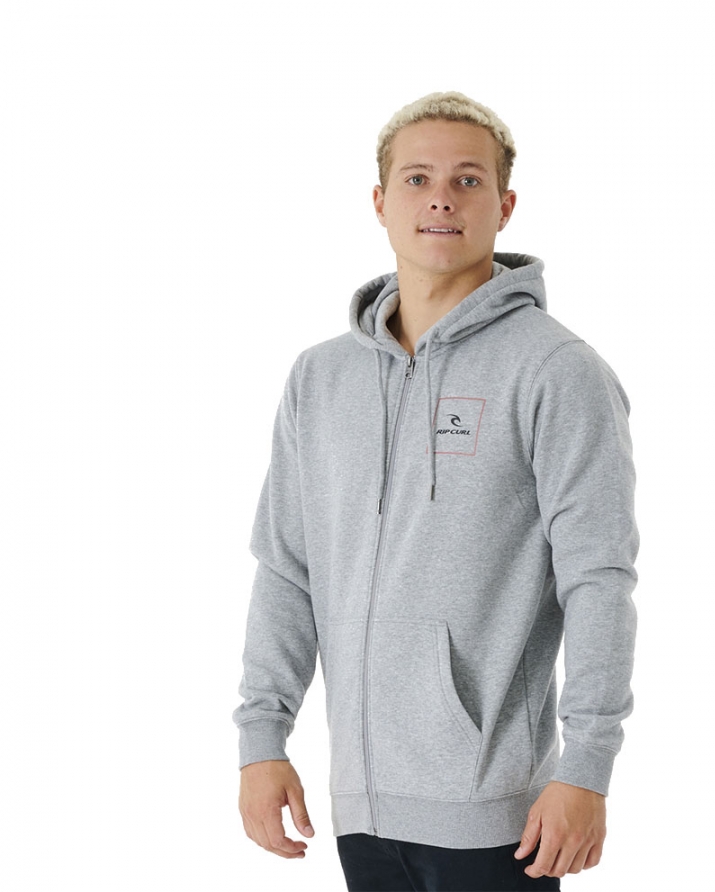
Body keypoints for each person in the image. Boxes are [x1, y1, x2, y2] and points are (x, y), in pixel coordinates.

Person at [234, 91, 639, 891]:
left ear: (505, 206)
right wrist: (261, 740)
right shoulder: (321, 378)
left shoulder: (557, 372)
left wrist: (586, 769)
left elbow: (598, 578)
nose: (441, 199)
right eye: (417, 179)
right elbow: (287, 568)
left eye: (467, 180)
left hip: (499, 811)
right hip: (361, 811)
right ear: (380, 202)